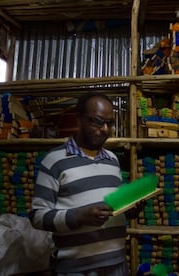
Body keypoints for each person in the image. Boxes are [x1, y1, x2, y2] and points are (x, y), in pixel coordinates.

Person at [29, 92, 133, 275]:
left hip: (116, 264)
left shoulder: (113, 160)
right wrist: (77, 217)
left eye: (110, 123)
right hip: (75, 269)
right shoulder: (54, 160)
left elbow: (114, 207)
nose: (105, 129)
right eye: (97, 122)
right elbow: (37, 216)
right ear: (79, 120)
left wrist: (131, 208)